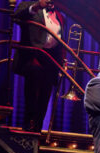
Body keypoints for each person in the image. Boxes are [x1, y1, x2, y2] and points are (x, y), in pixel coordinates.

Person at [13, 0, 65, 132]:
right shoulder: (30, 4)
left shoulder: (59, 15)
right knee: (32, 91)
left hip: (51, 58)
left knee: (45, 94)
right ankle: (28, 125)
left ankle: (37, 128)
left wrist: (61, 61)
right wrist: (36, 6)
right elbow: (17, 16)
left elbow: (60, 41)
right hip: (34, 56)